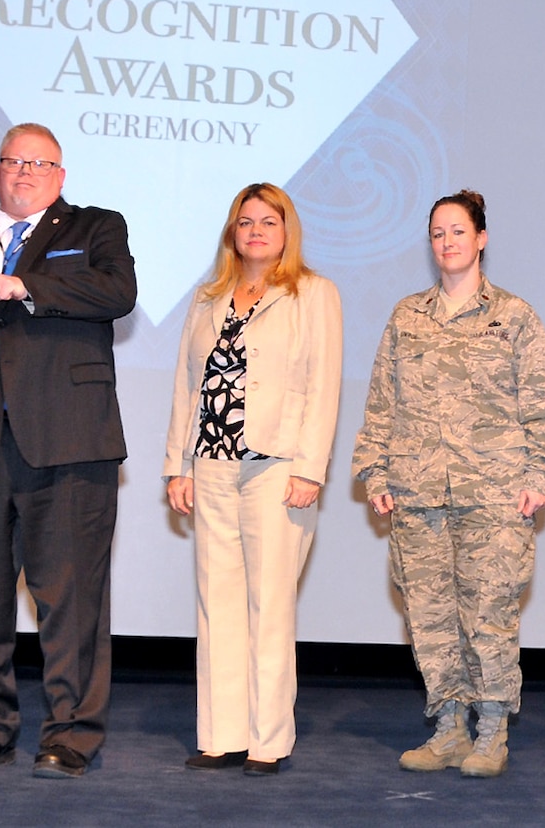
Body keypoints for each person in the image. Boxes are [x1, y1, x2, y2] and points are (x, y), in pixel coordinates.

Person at [0, 123, 137, 779]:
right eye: (13, 160)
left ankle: (71, 734)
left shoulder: (96, 229)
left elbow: (118, 293)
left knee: (71, 601)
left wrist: (27, 285)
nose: (24, 172)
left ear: (61, 176)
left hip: (69, 441)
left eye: (39, 163)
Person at [353, 189, 545, 778]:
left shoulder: (515, 317)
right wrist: (375, 470)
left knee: (488, 616)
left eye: (457, 231)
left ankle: (492, 730)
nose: (447, 242)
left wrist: (538, 476)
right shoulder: (406, 316)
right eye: (437, 234)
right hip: (417, 493)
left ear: (481, 238)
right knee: (428, 617)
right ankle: (448, 727)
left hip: (495, 496)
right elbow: (382, 402)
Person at [163, 183, 343, 776]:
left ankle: (269, 741)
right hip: (210, 465)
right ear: (232, 233)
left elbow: (323, 387)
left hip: (277, 468)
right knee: (216, 606)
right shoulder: (208, 297)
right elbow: (188, 386)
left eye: (269, 221)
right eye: (246, 222)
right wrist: (176, 464)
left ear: (287, 230)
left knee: (270, 605)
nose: (257, 231)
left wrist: (310, 469)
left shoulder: (313, 294)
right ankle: (222, 735)